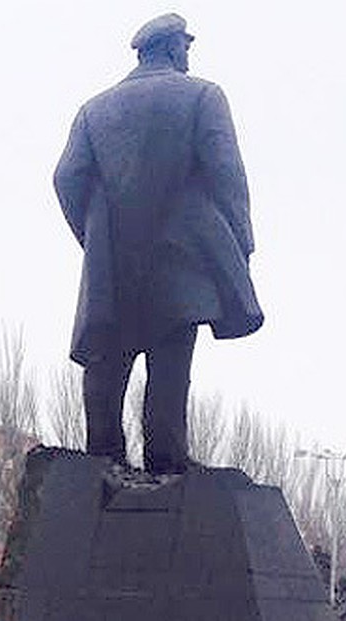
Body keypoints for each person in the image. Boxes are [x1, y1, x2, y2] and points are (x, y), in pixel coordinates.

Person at [53, 12, 261, 475]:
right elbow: (227, 174)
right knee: (169, 363)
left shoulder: (94, 110)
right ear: (171, 47)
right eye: (186, 46)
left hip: (114, 261)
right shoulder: (202, 96)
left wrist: (94, 240)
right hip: (180, 260)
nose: (189, 55)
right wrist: (240, 240)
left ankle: (101, 458)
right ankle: (166, 458)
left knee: (107, 360)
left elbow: (67, 178)